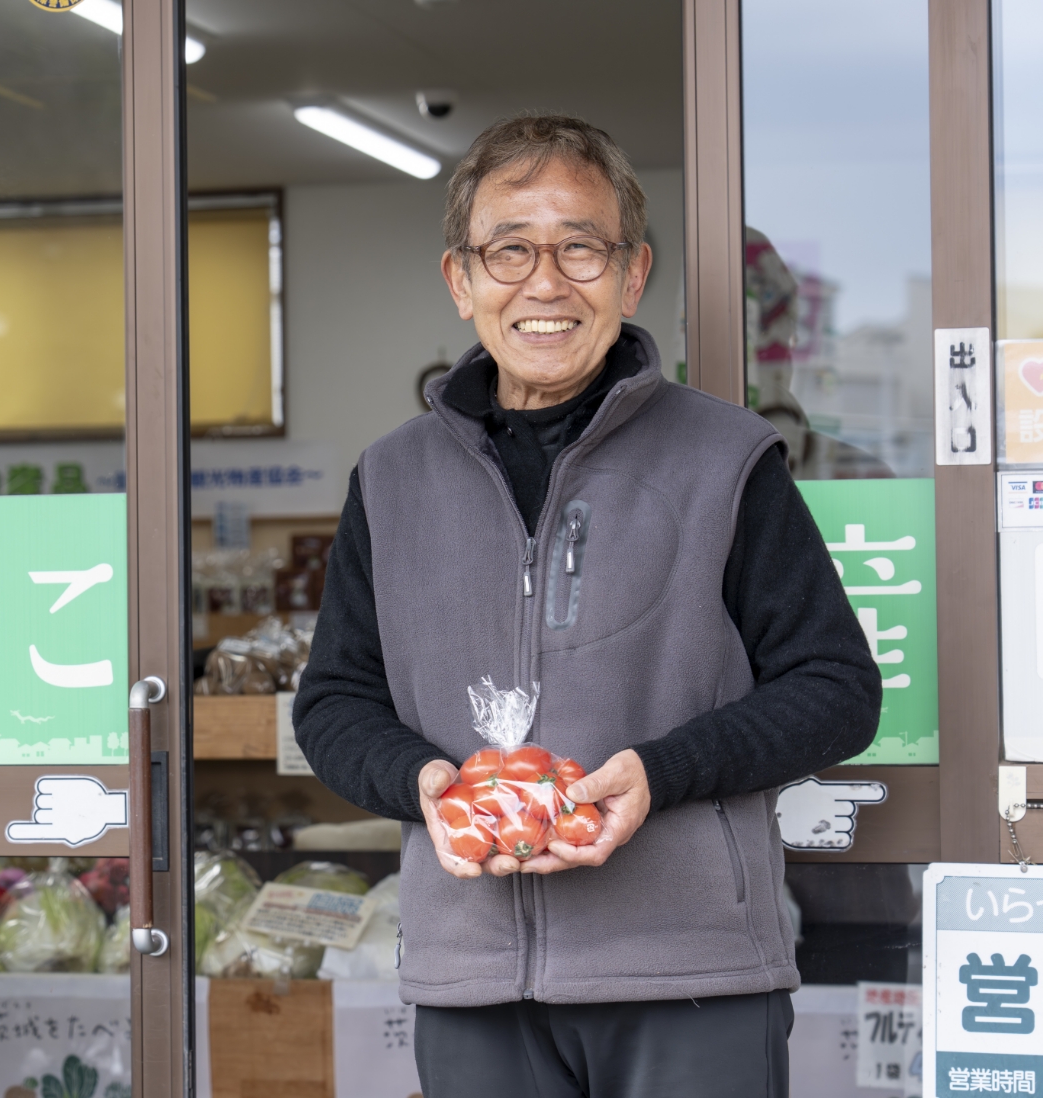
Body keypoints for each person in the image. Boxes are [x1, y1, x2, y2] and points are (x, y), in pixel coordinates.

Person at [293, 115, 882, 1097]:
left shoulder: (725, 458)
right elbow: (333, 702)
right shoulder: (392, 479)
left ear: (631, 273)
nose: (545, 283)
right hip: (471, 980)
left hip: (691, 978)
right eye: (509, 251)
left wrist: (660, 773)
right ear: (461, 280)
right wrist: (422, 783)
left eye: (580, 248)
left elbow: (836, 688)